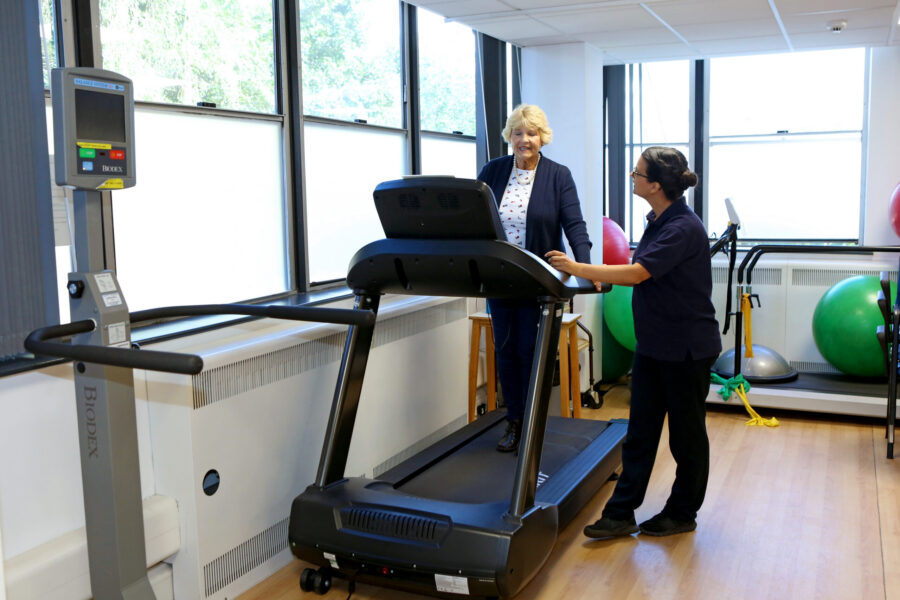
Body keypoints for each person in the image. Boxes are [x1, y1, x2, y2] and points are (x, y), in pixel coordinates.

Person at [546, 146, 721, 537]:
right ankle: (620, 513)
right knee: (640, 432)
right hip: (655, 345)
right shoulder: (658, 219)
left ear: (656, 185)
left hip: (686, 349)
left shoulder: (682, 228)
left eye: (638, 174)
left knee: (686, 437)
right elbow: (640, 272)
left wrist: (576, 266)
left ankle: (682, 513)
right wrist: (600, 274)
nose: (633, 177)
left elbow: (640, 273)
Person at [477, 104, 592, 452]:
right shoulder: (492, 171)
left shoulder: (558, 175)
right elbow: (476, 219)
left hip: (540, 279)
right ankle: (514, 420)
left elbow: (575, 225)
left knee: (533, 351)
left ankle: (535, 423)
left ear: (543, 137)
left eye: (531, 133)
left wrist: (584, 268)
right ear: (509, 136)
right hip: (499, 277)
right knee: (507, 351)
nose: (524, 140)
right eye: (518, 132)